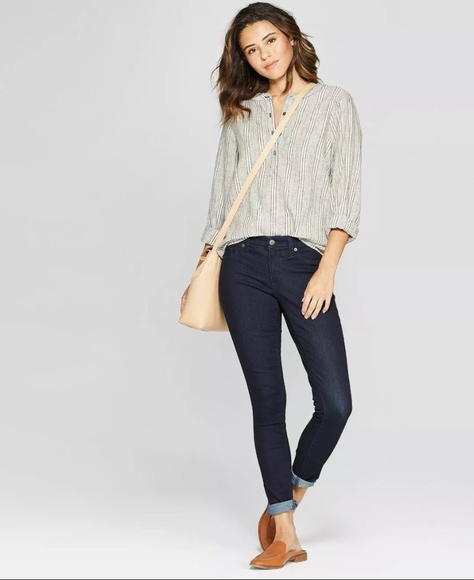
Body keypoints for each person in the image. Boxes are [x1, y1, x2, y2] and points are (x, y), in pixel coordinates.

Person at [180, 1, 362, 570]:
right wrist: (201, 267)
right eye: (250, 50)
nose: (263, 56)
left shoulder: (334, 104)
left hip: (304, 261)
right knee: (268, 401)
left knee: (335, 402)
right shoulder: (242, 111)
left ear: (290, 37)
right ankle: (284, 532)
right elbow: (221, 197)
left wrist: (327, 268)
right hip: (242, 265)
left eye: (269, 41)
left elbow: (345, 193)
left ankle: (293, 491)